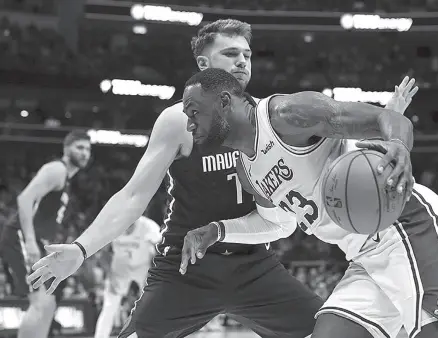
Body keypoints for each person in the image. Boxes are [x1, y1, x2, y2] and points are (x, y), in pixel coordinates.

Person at [28, 19, 324, 338]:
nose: (242, 61)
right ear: (203, 63)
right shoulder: (178, 120)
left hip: (253, 261)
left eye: (247, 55)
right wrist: (82, 249)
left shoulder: (267, 115)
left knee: (329, 330)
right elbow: (133, 197)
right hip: (186, 266)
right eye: (230, 53)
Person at [171, 68, 438, 338]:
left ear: (224, 101)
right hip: (364, 254)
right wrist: (216, 230)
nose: (189, 125)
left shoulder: (287, 115)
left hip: (405, 226)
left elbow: (389, 119)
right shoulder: (247, 171)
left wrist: (397, 144)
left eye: (194, 112)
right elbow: (277, 224)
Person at [0, 130, 91, 338]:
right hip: (20, 236)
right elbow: (24, 199)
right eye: (80, 147)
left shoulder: (65, 179)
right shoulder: (57, 169)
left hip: (36, 239)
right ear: (66, 149)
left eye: (88, 149)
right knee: (41, 302)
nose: (85, 153)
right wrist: (30, 242)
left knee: (48, 303)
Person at [94, 215, 161, 338]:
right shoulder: (112, 226)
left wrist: (155, 271)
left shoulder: (148, 226)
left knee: (148, 305)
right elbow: (102, 254)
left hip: (142, 268)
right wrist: (110, 276)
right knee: (109, 306)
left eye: (130, 226)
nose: (126, 230)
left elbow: (160, 249)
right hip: (119, 269)